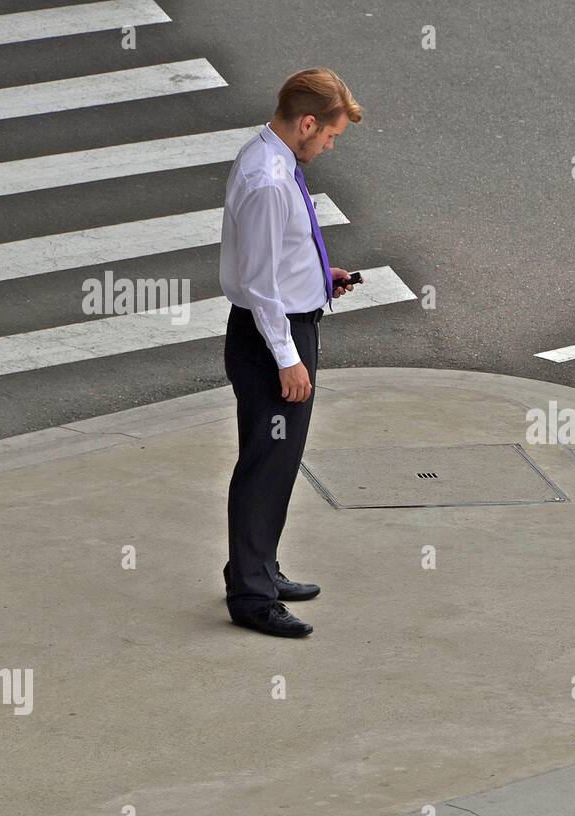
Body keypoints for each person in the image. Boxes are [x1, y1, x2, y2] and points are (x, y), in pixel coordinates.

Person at [218, 67, 363, 637]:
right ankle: (252, 597)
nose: (328, 146)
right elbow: (257, 283)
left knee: (276, 461)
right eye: (328, 136)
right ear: (307, 123)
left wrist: (319, 276)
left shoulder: (275, 162)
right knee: (265, 462)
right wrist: (287, 357)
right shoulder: (268, 180)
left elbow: (276, 257)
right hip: (268, 338)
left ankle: (260, 568)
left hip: (283, 324)